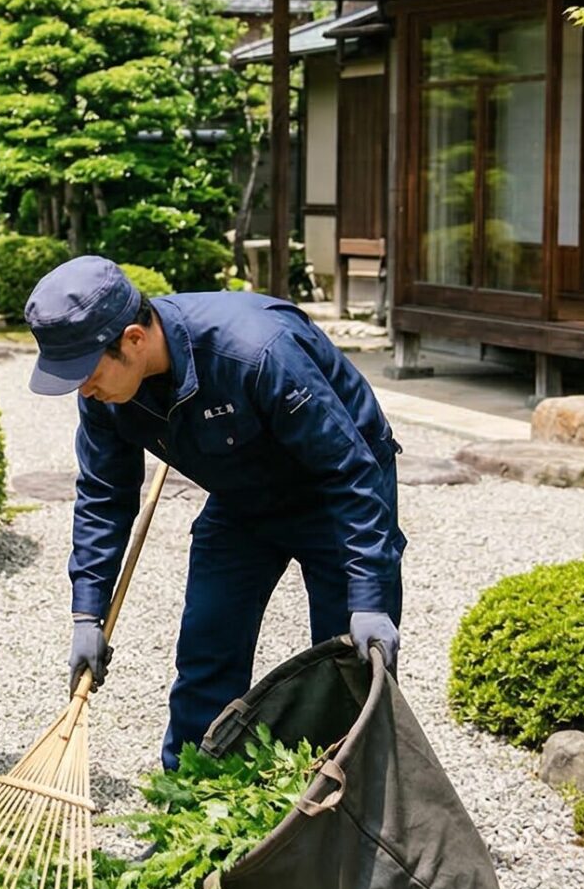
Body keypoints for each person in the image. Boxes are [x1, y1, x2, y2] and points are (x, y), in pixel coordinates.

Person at [24, 256, 406, 767]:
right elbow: (103, 494)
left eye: (86, 373)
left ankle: (348, 825)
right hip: (241, 497)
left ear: (134, 340)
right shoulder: (105, 395)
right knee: (207, 653)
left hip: (334, 495)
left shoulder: (257, 351)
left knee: (348, 671)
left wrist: (370, 594)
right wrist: (86, 613)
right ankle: (189, 806)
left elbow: (349, 471)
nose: (83, 389)